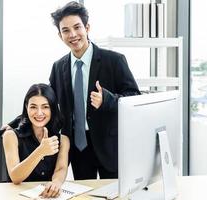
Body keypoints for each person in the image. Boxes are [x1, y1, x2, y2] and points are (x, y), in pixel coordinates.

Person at [49, 1, 140, 180]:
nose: (73, 35)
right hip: (79, 148)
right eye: (66, 30)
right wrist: (16, 125)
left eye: (77, 27)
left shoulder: (114, 61)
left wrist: (107, 99)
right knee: (84, 195)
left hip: (110, 146)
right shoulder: (58, 67)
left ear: (87, 27)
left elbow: (134, 98)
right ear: (60, 35)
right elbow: (46, 102)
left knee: (115, 194)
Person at [3, 83, 70, 198]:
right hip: (17, 196)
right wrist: (41, 151)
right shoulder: (11, 136)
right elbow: (15, 177)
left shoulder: (63, 140)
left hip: (47, 196)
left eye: (45, 107)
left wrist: (56, 183)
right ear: (26, 107)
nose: (39, 113)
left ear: (52, 109)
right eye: (33, 107)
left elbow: (61, 168)